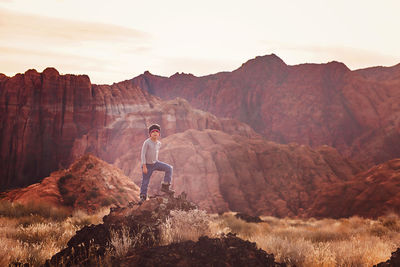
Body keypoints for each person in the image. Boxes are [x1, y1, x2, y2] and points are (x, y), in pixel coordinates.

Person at [139, 124, 174, 204]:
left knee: (169, 168)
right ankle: (143, 197)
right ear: (150, 134)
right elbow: (143, 154)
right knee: (145, 181)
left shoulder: (159, 143)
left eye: (157, 132)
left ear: (159, 134)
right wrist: (144, 166)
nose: (155, 133)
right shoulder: (147, 142)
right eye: (153, 131)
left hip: (156, 163)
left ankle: (165, 186)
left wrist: (156, 161)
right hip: (147, 165)